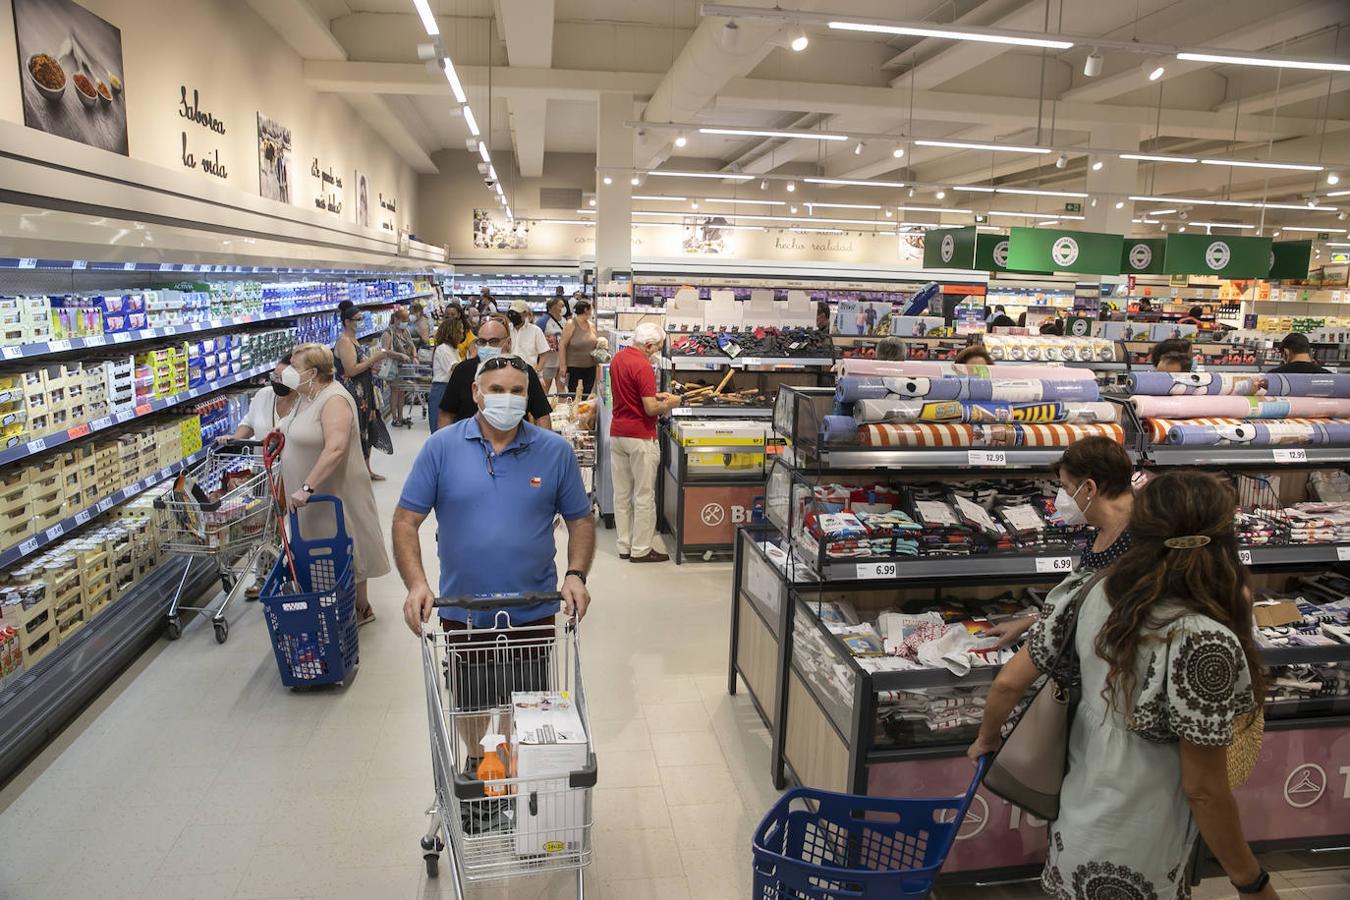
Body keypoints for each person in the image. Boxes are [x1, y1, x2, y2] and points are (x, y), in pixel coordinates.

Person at [969, 471, 1276, 900]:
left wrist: (987, 737)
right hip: (1140, 851)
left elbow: (1011, 681)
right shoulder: (1203, 642)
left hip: (1075, 831)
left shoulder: (1093, 591)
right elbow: (1204, 790)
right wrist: (1251, 880)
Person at [394, 355, 595, 636]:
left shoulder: (555, 451)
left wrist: (576, 575)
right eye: (497, 390)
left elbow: (581, 521)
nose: (507, 399)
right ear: (477, 392)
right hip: (461, 611)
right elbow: (405, 521)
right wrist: (417, 584)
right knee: (465, 681)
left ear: (527, 395)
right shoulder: (440, 447)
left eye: (517, 391)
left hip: (535, 610)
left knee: (533, 681)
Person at [984, 436, 1135, 649]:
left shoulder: (1144, 540)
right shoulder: (1097, 535)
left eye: (1065, 488)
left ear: (1089, 488)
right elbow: (1076, 602)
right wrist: (1030, 623)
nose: (1061, 498)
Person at [280, 344, 390, 626]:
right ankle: (333, 607)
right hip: (312, 496)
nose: (289, 371)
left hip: (331, 491)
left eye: (296, 366)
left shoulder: (334, 400)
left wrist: (306, 488)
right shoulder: (306, 396)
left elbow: (336, 448)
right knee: (322, 549)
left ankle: (358, 609)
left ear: (313, 372)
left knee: (344, 545)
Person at [610, 322, 682, 563]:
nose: (658, 351)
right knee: (643, 496)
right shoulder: (643, 365)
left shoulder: (619, 358)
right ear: (649, 345)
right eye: (658, 347)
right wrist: (671, 403)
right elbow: (650, 409)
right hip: (640, 436)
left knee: (621, 495)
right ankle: (641, 549)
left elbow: (631, 394)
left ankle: (624, 545)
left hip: (618, 433)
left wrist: (654, 396)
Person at [438, 316, 552, 430]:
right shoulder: (462, 371)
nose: (487, 347)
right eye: (482, 342)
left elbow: (542, 416)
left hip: (517, 443)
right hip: (469, 441)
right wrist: (445, 444)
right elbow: (446, 414)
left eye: (493, 341)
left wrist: (544, 445)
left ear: (508, 342)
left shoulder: (524, 372)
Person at [334, 302, 404, 480]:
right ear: (348, 322)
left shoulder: (354, 340)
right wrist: (374, 358)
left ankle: (366, 470)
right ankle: (353, 473)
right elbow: (350, 370)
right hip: (353, 395)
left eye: (363, 318)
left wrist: (373, 366)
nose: (362, 322)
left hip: (364, 392)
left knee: (368, 428)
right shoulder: (344, 342)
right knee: (357, 431)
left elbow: (360, 365)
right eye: (358, 319)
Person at [221, 354, 296, 442]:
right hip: (261, 455)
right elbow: (249, 424)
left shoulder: (307, 403)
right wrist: (235, 438)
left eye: (282, 378)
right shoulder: (264, 395)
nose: (276, 381)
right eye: (274, 376)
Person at [381, 305, 418, 427]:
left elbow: (412, 345)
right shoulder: (388, 333)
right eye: (402, 321)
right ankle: (394, 418)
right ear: (396, 319)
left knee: (402, 391)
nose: (404, 323)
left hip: (405, 367)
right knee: (395, 392)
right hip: (394, 367)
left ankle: (401, 417)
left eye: (406, 321)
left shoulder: (405, 331)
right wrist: (400, 355)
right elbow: (385, 351)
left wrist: (414, 356)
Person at [429, 316, 463, 435]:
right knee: (440, 427)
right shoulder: (443, 349)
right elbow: (455, 368)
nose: (462, 333)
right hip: (442, 389)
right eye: (460, 330)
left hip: (450, 388)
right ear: (452, 332)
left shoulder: (453, 349)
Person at [560, 299, 600, 395]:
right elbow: (562, 344)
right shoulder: (571, 324)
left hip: (590, 367)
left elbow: (595, 342)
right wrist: (562, 365)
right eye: (591, 308)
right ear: (586, 310)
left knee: (587, 394)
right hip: (574, 367)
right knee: (574, 394)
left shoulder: (591, 326)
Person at [506, 300, 551, 371]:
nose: (513, 315)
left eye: (517, 313)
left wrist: (537, 372)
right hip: (508, 371)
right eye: (512, 312)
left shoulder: (535, 331)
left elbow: (543, 354)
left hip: (528, 373)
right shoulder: (506, 330)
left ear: (525, 314)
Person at [536, 296, 567, 390]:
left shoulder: (564, 321)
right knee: (545, 389)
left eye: (564, 306)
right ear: (553, 307)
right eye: (561, 306)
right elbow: (536, 339)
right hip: (548, 363)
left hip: (562, 362)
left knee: (562, 390)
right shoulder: (542, 321)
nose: (563, 308)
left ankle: (561, 405)